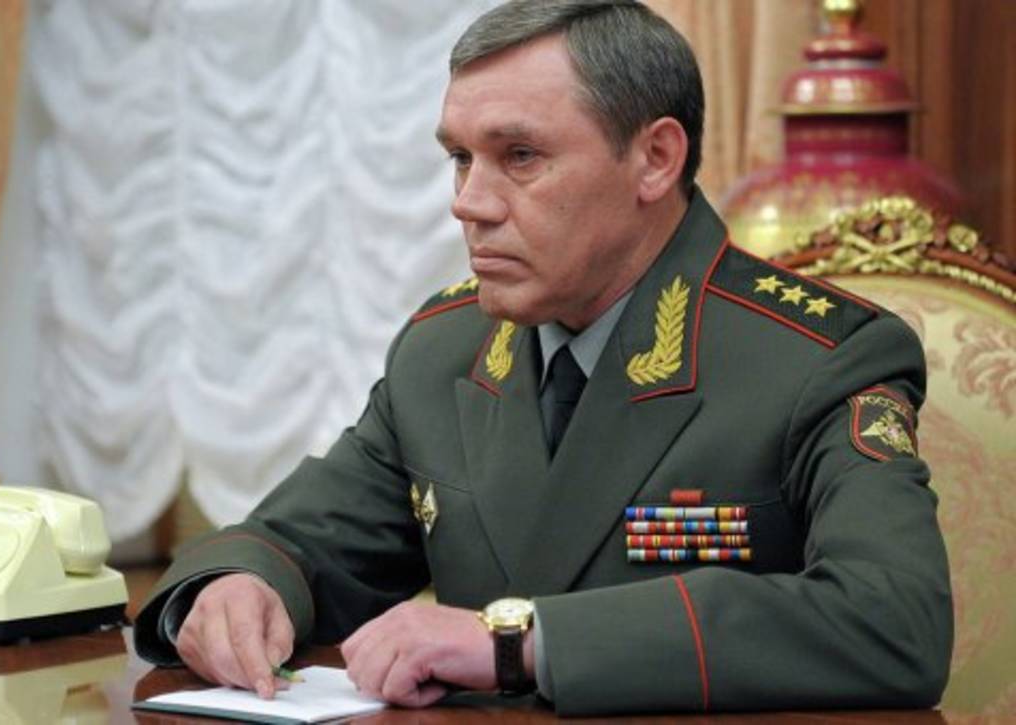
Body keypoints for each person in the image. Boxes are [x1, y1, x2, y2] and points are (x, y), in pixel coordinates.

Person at [134, 0, 953, 715]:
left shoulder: (818, 359)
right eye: (460, 157)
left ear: (655, 159)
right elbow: (298, 542)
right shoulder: (444, 351)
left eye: (520, 157)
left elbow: (894, 621)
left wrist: (522, 641)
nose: (469, 203)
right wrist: (237, 587)